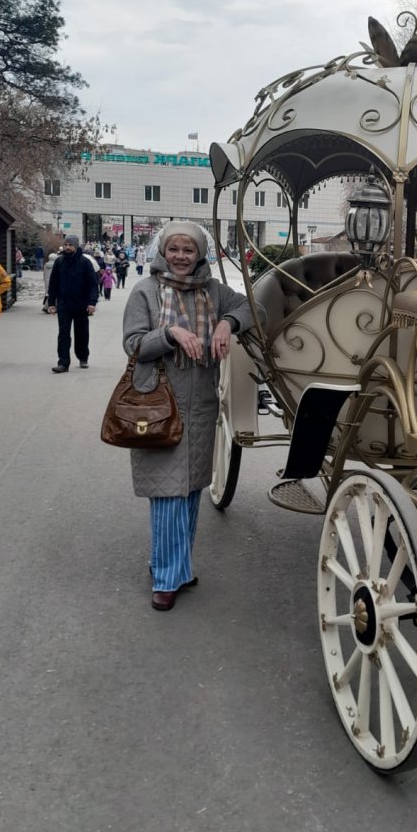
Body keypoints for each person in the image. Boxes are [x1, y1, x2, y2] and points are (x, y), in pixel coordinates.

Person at [122, 220, 259, 611]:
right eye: (174, 249)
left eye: (189, 250)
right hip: (158, 402)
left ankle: (175, 567)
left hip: (200, 405)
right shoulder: (145, 291)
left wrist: (225, 322)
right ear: (163, 251)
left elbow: (254, 305)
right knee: (167, 492)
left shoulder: (213, 291)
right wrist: (170, 335)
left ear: (200, 254)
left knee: (190, 489)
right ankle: (166, 577)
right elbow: (133, 344)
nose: (181, 257)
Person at [47, 234, 99, 372]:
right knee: (63, 334)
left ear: (76, 246)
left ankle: (83, 357)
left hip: (82, 305)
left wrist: (92, 303)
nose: (67, 247)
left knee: (81, 333)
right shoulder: (59, 262)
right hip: (64, 304)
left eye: (70, 245)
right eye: (66, 245)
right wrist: (51, 303)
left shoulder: (85, 263)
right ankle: (63, 363)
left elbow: (93, 284)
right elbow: (53, 284)